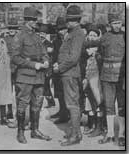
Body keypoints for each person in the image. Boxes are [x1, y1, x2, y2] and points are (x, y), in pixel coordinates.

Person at [11, 7, 52, 144]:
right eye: (34, 19)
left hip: (39, 77)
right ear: (27, 20)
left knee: (37, 104)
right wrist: (34, 65)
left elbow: (44, 51)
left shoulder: (36, 35)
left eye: (36, 19)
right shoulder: (19, 36)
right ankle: (20, 132)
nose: (36, 22)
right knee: (22, 104)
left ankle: (35, 130)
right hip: (25, 76)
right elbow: (15, 58)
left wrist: (46, 60)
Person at [53, 5, 85, 146]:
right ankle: (76, 133)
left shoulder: (77, 34)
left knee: (72, 104)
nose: (67, 22)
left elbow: (73, 58)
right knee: (72, 104)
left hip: (70, 73)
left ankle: (75, 136)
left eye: (69, 20)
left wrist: (59, 68)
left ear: (76, 20)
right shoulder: (72, 32)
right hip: (68, 73)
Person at [98, 12, 125, 145]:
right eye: (114, 23)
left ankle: (121, 135)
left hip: (121, 76)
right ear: (109, 25)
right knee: (108, 105)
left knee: (122, 106)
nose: (117, 26)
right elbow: (101, 54)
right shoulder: (104, 37)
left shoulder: (125, 36)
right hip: (107, 75)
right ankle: (109, 134)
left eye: (119, 23)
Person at [81, 25, 104, 137]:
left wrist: (96, 54)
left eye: (94, 35)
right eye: (90, 35)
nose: (92, 37)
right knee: (89, 100)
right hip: (87, 75)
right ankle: (92, 125)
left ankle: (100, 127)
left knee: (98, 99)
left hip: (97, 76)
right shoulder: (84, 47)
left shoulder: (101, 47)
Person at [51, 17, 70, 124]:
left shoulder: (70, 40)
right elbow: (54, 55)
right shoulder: (56, 41)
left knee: (66, 93)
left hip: (66, 70)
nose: (61, 31)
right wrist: (54, 64)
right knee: (59, 93)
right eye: (59, 30)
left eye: (63, 29)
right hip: (57, 70)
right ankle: (62, 111)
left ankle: (65, 114)